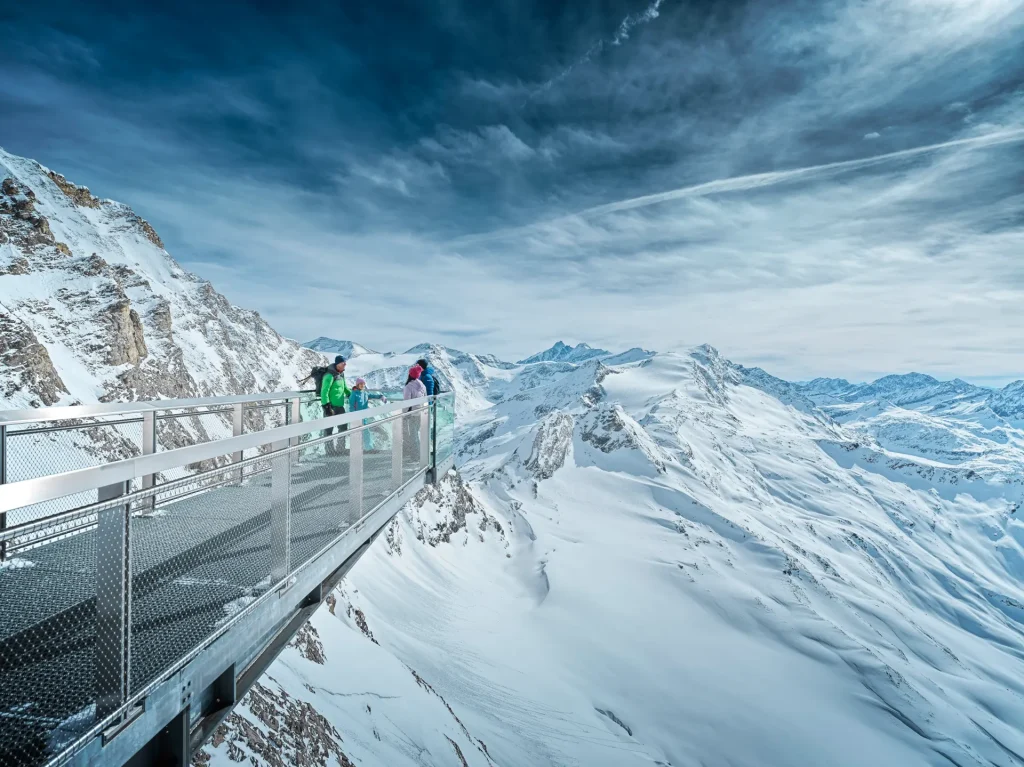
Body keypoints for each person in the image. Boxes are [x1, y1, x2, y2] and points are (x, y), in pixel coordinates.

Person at [320, 355, 352, 455]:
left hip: (340, 406)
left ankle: (340, 449)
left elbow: (345, 388)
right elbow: (324, 392)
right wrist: (327, 406)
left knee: (343, 427)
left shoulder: (341, 375)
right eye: (343, 363)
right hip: (331, 407)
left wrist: (352, 395)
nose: (345, 364)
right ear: (338, 364)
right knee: (329, 430)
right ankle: (329, 452)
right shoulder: (329, 376)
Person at [348, 378, 387, 451]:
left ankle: (368, 448)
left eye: (363, 384)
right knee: (358, 433)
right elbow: (351, 406)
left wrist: (381, 396)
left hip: (364, 417)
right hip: (356, 417)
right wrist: (353, 416)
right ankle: (361, 449)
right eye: (361, 384)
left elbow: (373, 396)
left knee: (366, 432)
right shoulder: (354, 394)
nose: (362, 385)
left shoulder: (365, 393)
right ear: (357, 385)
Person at [403, 365, 427, 461]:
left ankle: (416, 456)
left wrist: (404, 413)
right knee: (417, 434)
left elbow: (407, 402)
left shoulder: (409, 387)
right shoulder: (422, 385)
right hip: (421, 412)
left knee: (413, 436)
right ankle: (420, 454)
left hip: (413, 414)